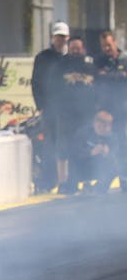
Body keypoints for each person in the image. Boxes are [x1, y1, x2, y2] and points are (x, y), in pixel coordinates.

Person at [50, 36, 98, 194]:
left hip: (85, 113)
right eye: (73, 48)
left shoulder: (90, 65)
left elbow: (97, 87)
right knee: (63, 148)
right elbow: (53, 87)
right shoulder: (60, 65)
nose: (76, 51)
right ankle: (63, 182)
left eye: (78, 48)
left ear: (83, 49)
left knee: (85, 147)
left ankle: (86, 180)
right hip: (65, 113)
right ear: (68, 49)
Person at [30, 21, 69, 192]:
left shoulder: (70, 57)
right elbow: (36, 83)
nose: (61, 40)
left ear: (67, 38)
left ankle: (66, 180)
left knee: (67, 143)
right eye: (58, 36)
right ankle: (49, 181)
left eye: (63, 37)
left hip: (68, 109)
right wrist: (41, 105)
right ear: (53, 37)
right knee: (50, 145)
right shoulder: (43, 57)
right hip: (50, 107)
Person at [95, 30, 127, 190]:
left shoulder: (125, 58)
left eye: (108, 45)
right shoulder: (100, 61)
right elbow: (97, 78)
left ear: (115, 42)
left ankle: (124, 179)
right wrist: (118, 76)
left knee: (123, 145)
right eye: (103, 46)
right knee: (109, 146)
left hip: (124, 110)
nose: (106, 48)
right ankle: (105, 179)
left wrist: (108, 76)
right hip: (107, 113)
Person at [68, 109, 119, 194]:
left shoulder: (112, 137)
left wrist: (108, 153)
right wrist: (90, 152)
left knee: (115, 165)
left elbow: (117, 156)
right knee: (72, 161)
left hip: (100, 169)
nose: (105, 129)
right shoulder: (83, 133)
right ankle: (71, 187)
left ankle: (99, 188)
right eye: (102, 126)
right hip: (83, 167)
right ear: (95, 124)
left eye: (108, 126)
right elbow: (73, 152)